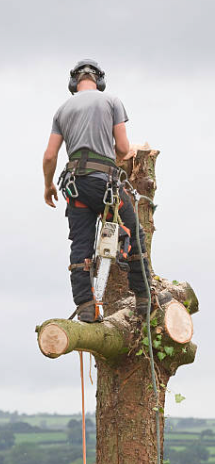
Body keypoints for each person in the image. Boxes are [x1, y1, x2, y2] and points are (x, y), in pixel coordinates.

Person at [42, 59, 153, 322]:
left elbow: (49, 156)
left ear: (73, 83)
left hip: (75, 187)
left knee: (80, 245)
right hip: (104, 185)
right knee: (135, 231)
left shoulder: (61, 110)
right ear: (99, 81)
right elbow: (124, 149)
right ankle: (143, 299)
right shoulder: (111, 101)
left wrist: (47, 185)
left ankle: (86, 307)